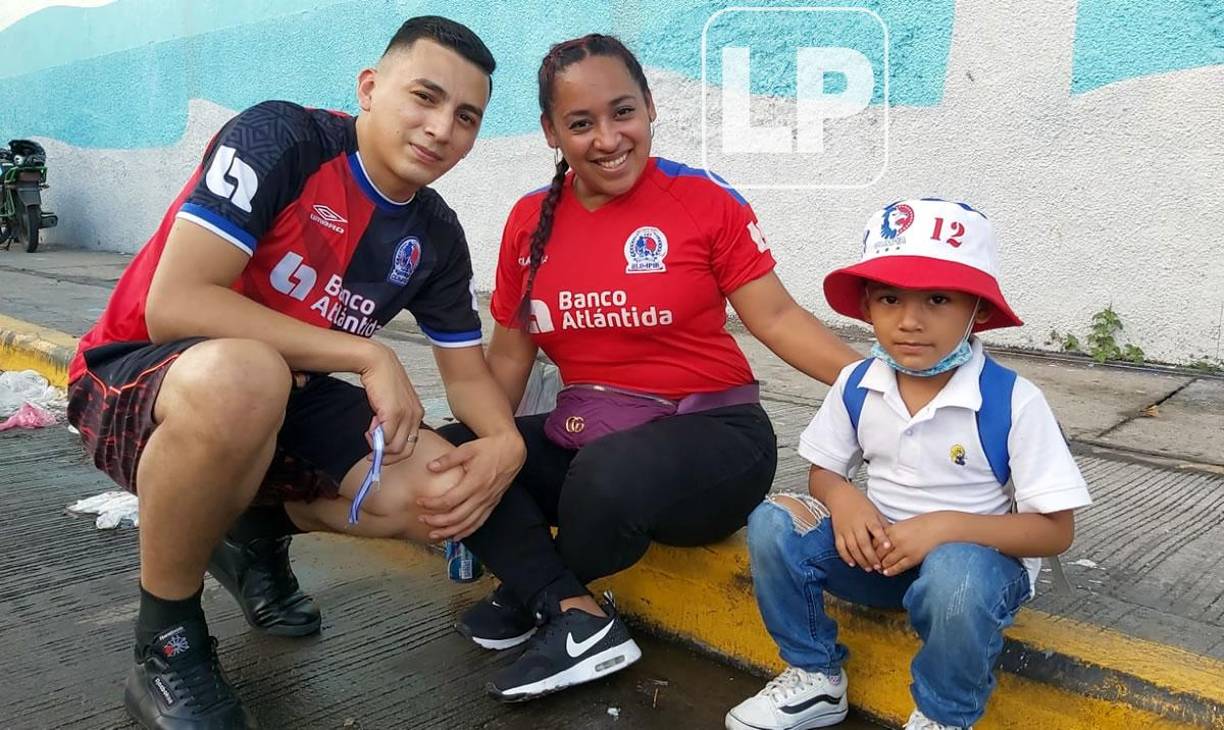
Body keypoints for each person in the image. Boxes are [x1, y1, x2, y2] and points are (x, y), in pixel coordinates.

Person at [65, 17, 526, 729]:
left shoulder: (435, 233)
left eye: (466, 117)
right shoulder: (281, 138)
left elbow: (466, 375)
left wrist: (505, 441)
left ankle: (245, 533)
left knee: (439, 493)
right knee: (248, 377)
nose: (442, 129)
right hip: (144, 373)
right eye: (425, 98)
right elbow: (176, 304)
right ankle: (167, 642)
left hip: (287, 398)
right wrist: (366, 353)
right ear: (370, 89)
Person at [438, 33, 860, 702]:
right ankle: (567, 609)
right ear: (552, 131)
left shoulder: (702, 200)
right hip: (592, 430)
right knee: (447, 456)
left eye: (622, 112)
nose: (608, 138)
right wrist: (485, 445)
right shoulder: (529, 221)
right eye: (581, 123)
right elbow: (512, 351)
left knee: (604, 475)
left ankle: (533, 592)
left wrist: (883, 387)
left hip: (714, 439)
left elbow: (776, 318)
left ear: (651, 107)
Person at [725, 199, 1094, 730]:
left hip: (974, 576)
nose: (909, 322)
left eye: (938, 299)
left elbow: (1056, 532)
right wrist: (844, 497)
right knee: (775, 522)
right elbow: (825, 470)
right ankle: (815, 676)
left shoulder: (1012, 401)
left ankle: (945, 716)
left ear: (979, 311)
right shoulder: (858, 384)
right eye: (890, 299)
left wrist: (942, 529)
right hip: (882, 559)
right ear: (867, 305)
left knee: (955, 572)